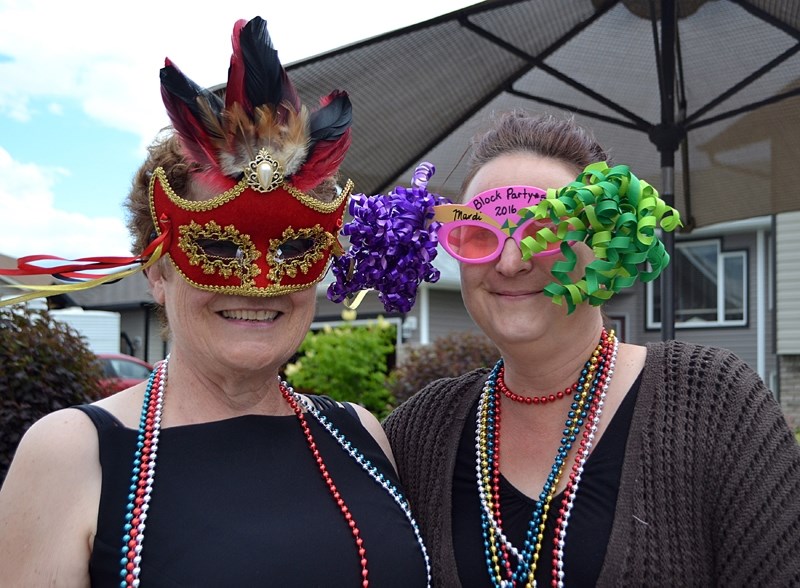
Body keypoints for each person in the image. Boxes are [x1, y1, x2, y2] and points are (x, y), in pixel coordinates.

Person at [0, 17, 429, 587]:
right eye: (219, 245)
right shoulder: (70, 455)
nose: (258, 282)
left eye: (294, 246)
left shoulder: (362, 434)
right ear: (157, 271)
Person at [335, 109, 800, 587]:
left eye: (548, 231)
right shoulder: (419, 434)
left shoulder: (713, 401)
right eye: (479, 235)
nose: (511, 262)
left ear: (605, 244)